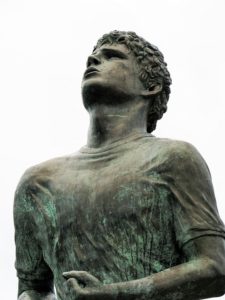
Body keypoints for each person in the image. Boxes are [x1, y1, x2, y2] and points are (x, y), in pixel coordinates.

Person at [14, 31, 225, 300]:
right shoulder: (37, 183)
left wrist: (115, 293)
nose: (93, 60)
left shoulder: (174, 158)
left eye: (112, 56)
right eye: (92, 58)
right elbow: (32, 288)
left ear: (150, 86)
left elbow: (215, 266)